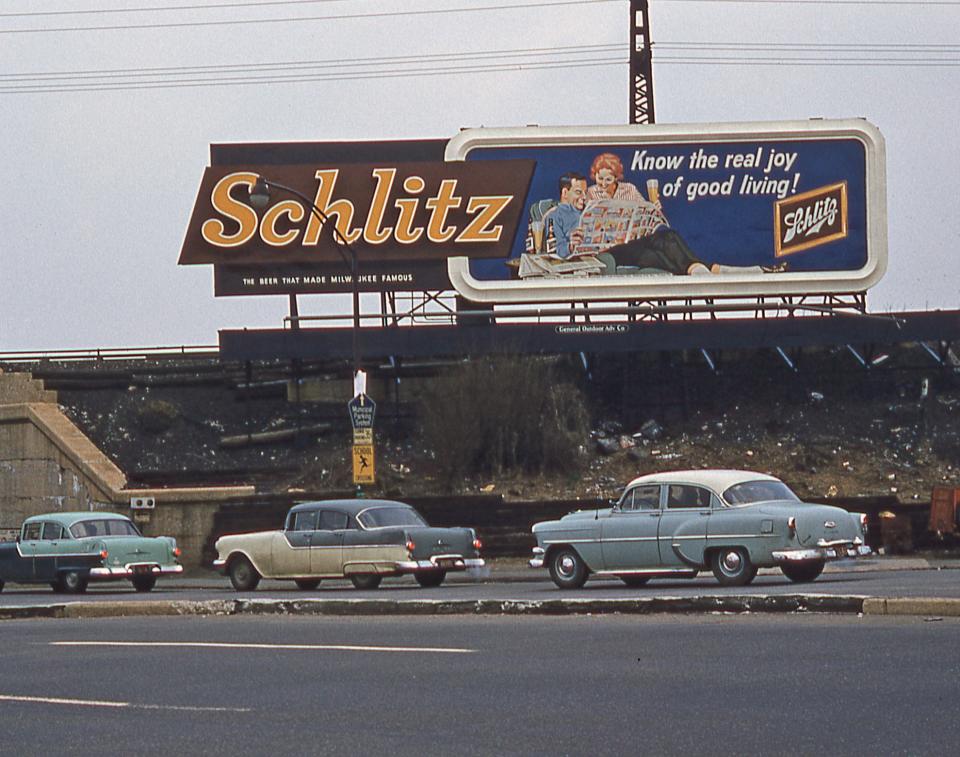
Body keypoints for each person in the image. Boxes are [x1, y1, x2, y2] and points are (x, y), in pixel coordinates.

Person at [553, 170, 787, 275]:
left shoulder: (602, 199)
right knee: (665, 240)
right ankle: (714, 271)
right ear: (565, 193)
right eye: (578, 193)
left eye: (584, 192)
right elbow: (557, 253)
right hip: (609, 254)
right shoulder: (555, 215)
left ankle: (734, 271)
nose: (584, 197)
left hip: (631, 247)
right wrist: (574, 243)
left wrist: (649, 214)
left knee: (667, 245)